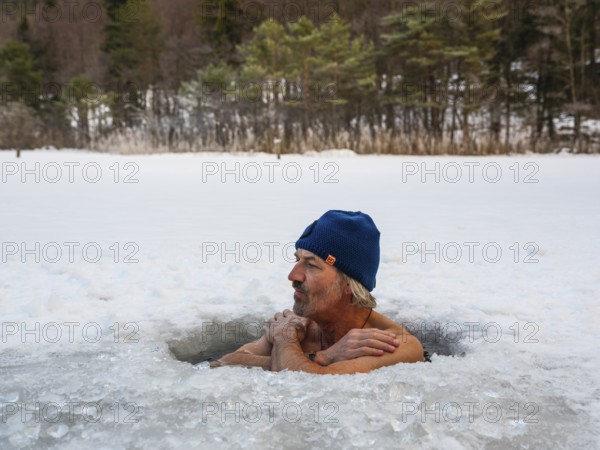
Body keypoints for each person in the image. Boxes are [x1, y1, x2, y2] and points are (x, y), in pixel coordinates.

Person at [216, 210, 425, 374]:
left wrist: (286, 342)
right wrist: (324, 356)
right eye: (297, 260)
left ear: (349, 284)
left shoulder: (393, 344)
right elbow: (223, 364)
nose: (293, 275)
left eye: (312, 265)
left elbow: (305, 382)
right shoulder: (299, 324)